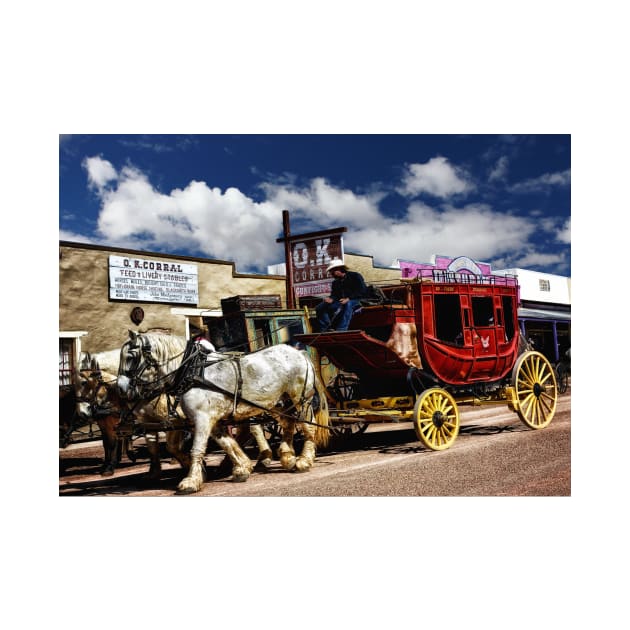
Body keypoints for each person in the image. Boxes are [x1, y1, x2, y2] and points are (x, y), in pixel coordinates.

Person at [316, 259, 367, 331]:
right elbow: (334, 295)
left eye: (332, 272)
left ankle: (341, 329)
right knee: (320, 307)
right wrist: (331, 299)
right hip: (341, 301)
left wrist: (349, 298)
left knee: (348, 304)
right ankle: (326, 329)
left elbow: (362, 290)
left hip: (357, 300)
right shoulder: (335, 282)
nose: (331, 274)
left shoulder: (355, 276)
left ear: (339, 269)